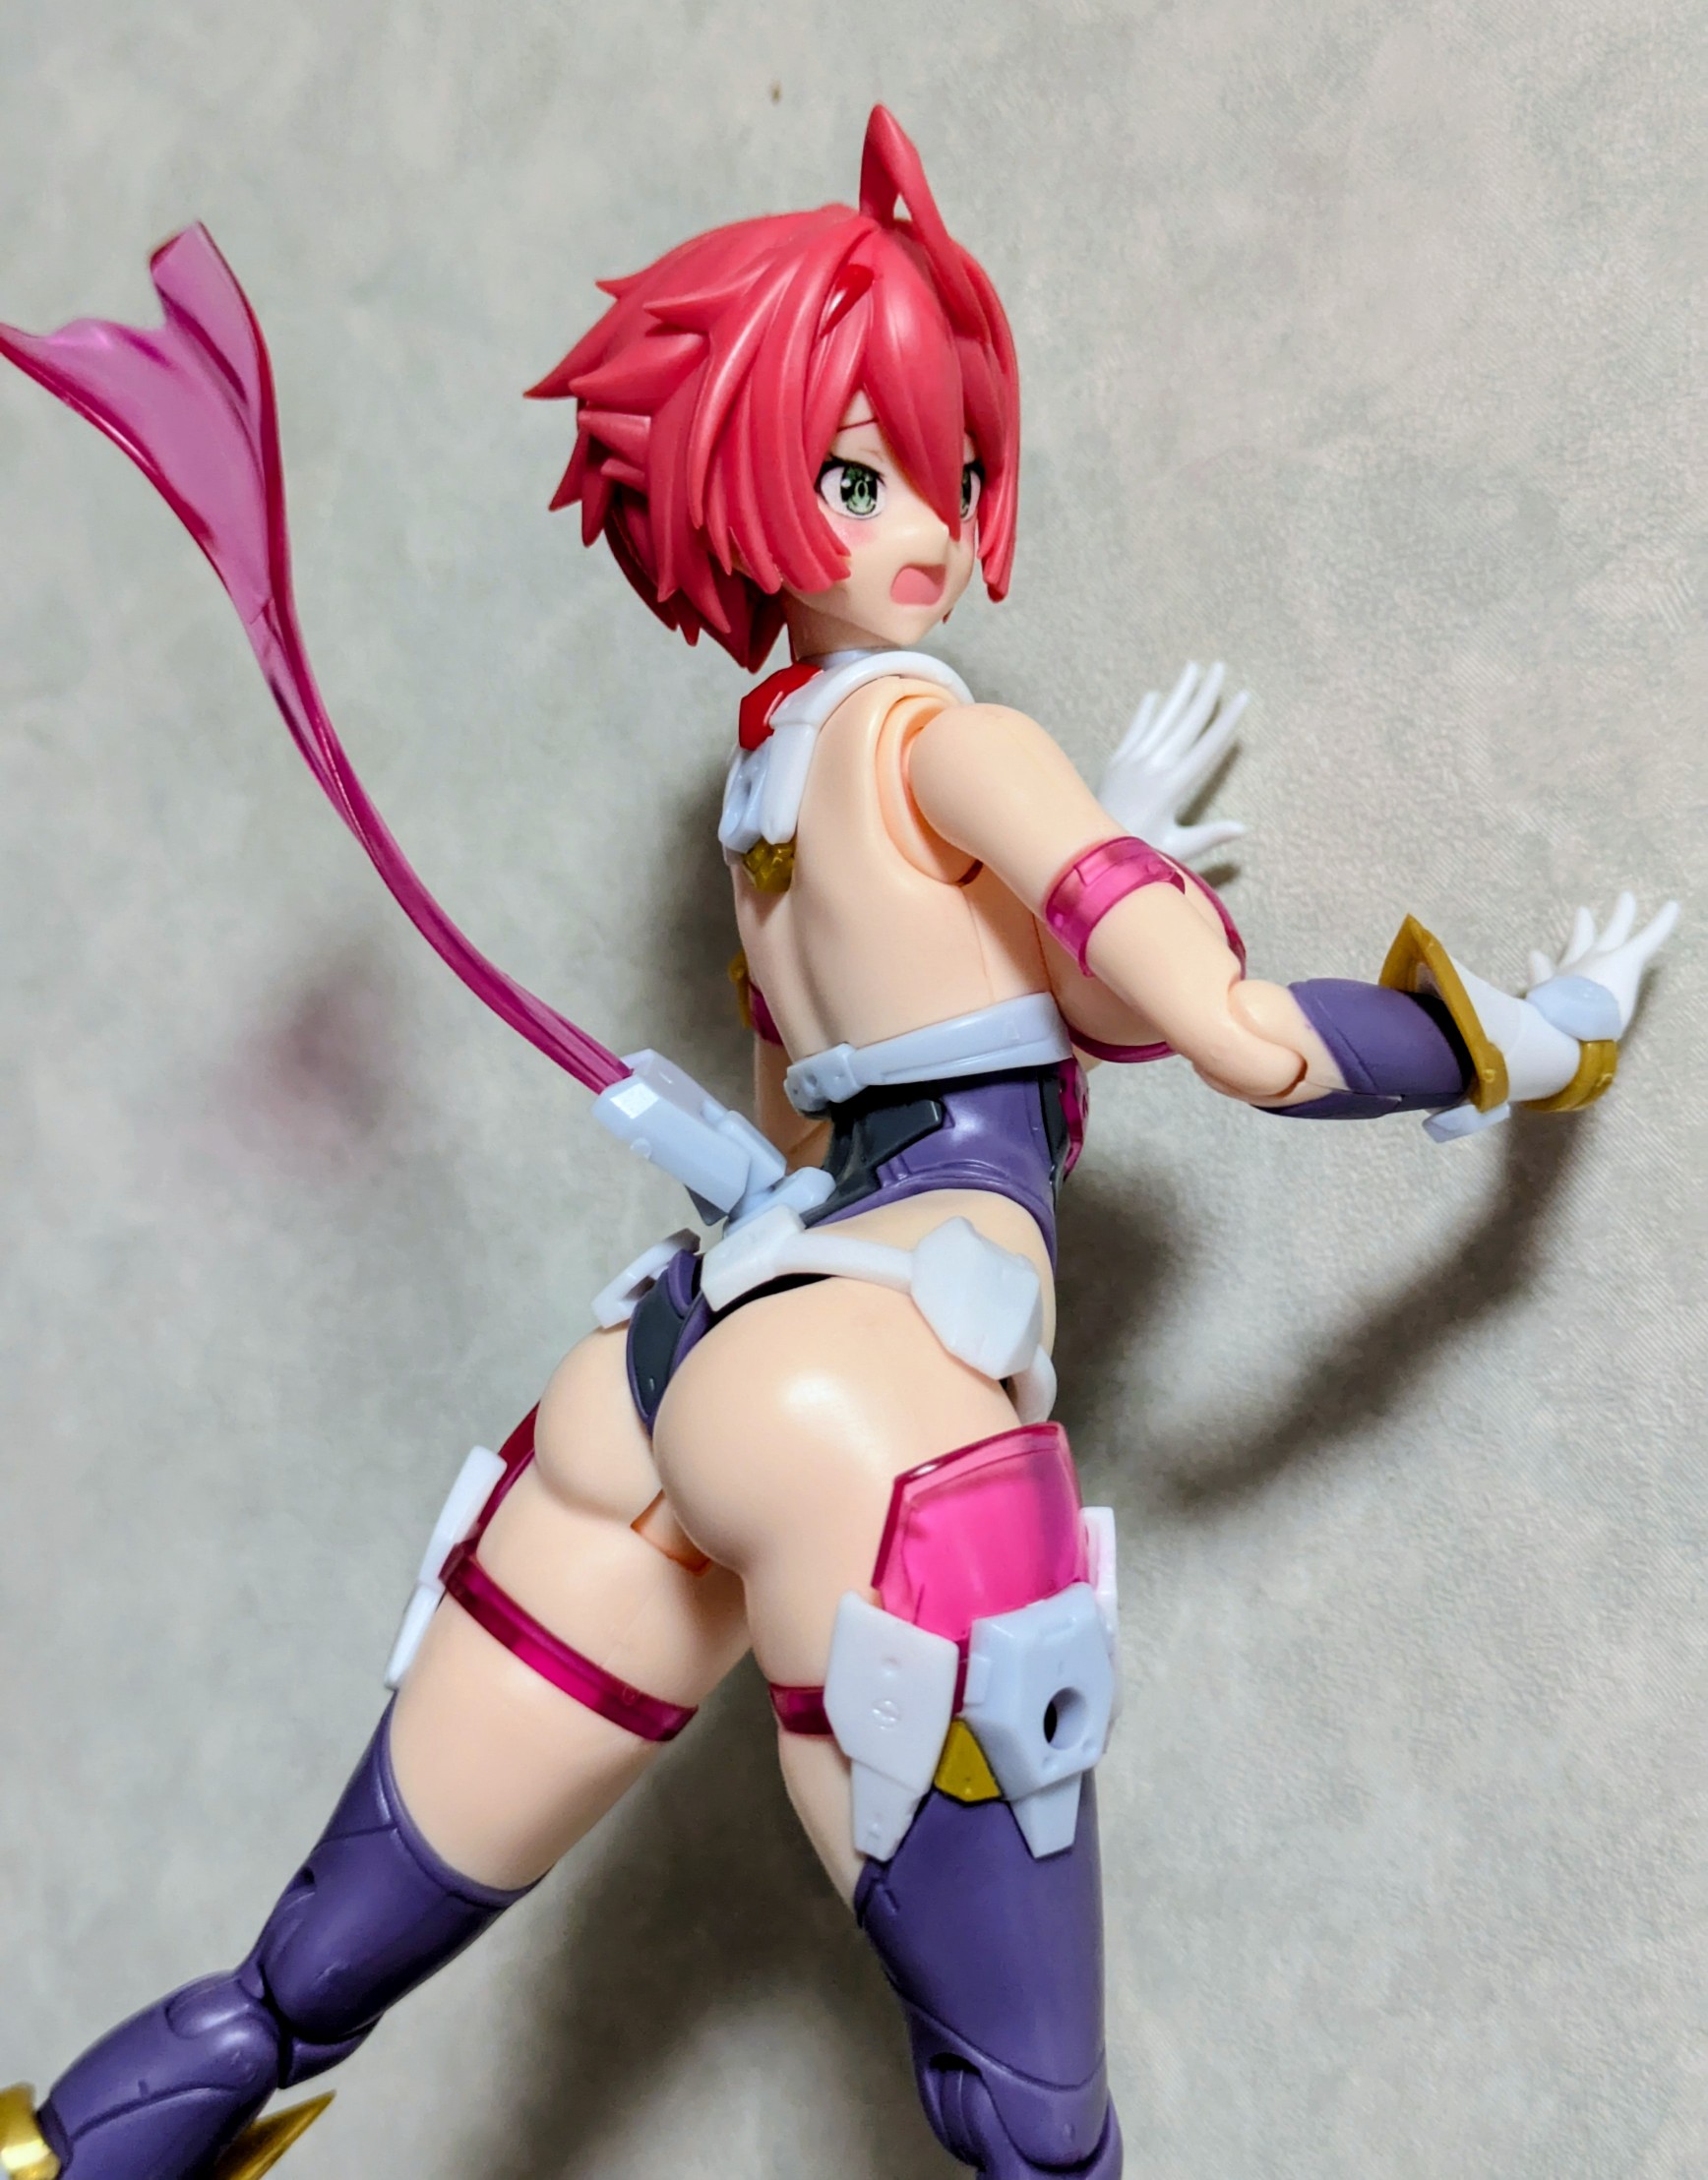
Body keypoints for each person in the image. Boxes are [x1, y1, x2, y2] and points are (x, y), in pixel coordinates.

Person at [0, 107, 1675, 2180]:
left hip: (667, 1361)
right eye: (864, 473)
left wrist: (1091, 848)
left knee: (290, 1991)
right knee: (1037, 2133)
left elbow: (872, 1063)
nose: (930, 530)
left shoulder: (764, 797)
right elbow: (1239, 1042)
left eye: (951, 474)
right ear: (749, 479)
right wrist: (1530, 1041)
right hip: (882, 1385)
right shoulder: (952, 738)